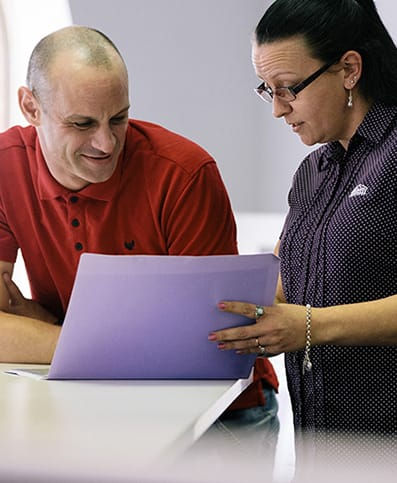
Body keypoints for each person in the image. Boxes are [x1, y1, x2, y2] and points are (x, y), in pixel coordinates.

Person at [0, 25, 278, 458]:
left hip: (223, 414)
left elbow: (206, 349)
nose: (106, 143)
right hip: (85, 404)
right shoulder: (4, 169)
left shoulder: (184, 175)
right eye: (82, 124)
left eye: (119, 118)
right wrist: (91, 346)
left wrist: (54, 335)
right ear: (30, 107)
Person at [209, 0, 397, 474]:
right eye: (266, 91)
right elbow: (282, 282)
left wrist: (309, 325)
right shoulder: (313, 171)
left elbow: (304, 316)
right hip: (323, 445)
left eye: (289, 89)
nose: (277, 110)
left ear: (349, 69)